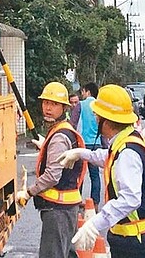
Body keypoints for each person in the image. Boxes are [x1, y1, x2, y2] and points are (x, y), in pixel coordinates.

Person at [61, 84, 145, 257]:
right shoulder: (127, 139)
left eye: (97, 115)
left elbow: (130, 199)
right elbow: (110, 157)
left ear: (107, 121)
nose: (95, 118)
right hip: (135, 238)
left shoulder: (128, 152)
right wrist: (82, 153)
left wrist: (95, 223)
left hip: (137, 242)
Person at [16, 82, 86, 258]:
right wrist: (45, 147)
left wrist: (29, 192)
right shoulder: (63, 130)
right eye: (45, 103)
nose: (48, 108)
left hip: (58, 212)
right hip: (66, 209)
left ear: (64, 108)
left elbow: (52, 176)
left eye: (54, 104)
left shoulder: (59, 136)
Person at [77, 81, 101, 205]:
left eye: (83, 92)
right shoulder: (99, 105)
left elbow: (77, 124)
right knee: (95, 175)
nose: (82, 94)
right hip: (96, 143)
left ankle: (78, 200)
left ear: (88, 92)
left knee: (80, 174)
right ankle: (95, 202)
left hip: (83, 143)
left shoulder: (81, 105)